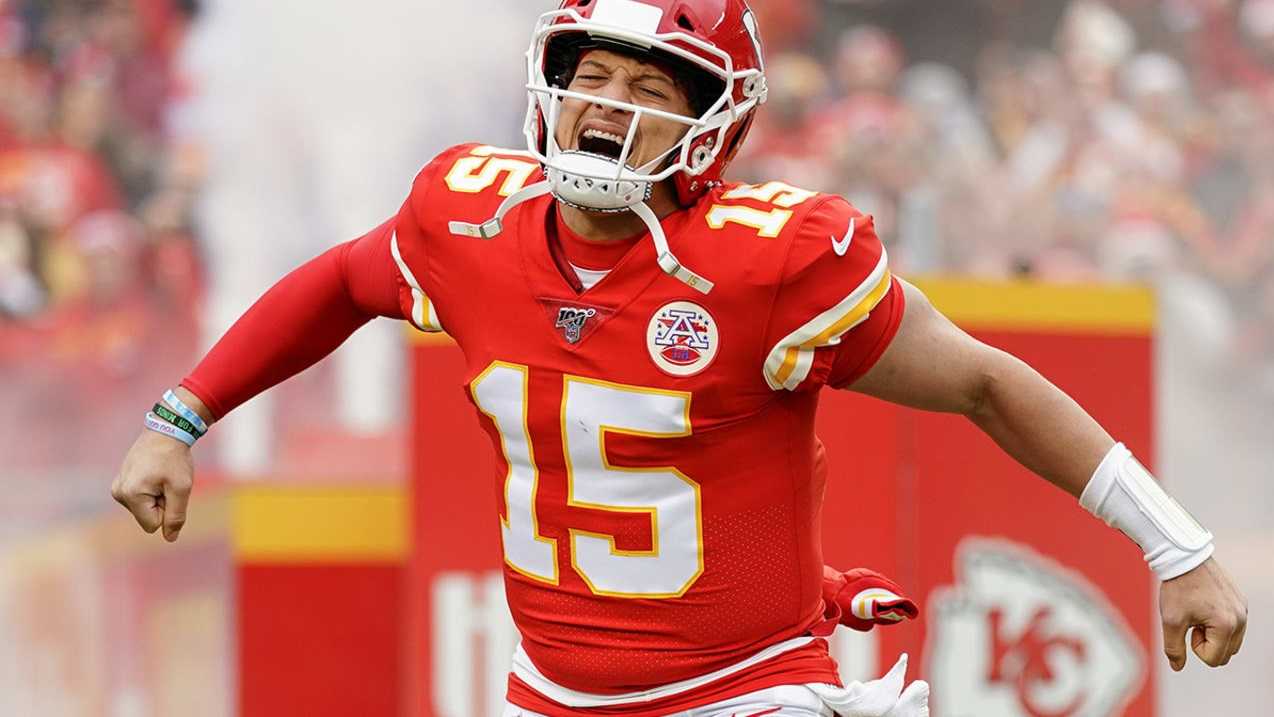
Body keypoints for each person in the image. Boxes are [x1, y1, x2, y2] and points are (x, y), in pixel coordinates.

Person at [111, 1, 1247, 715]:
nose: (606, 105)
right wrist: (180, 417)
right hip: (547, 695)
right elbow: (339, 282)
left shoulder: (770, 261)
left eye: (650, 87)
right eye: (591, 76)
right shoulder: (469, 216)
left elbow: (986, 383)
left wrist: (1175, 545)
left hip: (741, 695)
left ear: (715, 124)